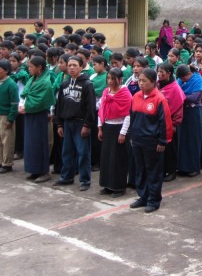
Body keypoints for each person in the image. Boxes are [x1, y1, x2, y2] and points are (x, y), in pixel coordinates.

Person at [129, 68, 172, 213]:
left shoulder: (159, 99)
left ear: (153, 82)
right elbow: (132, 118)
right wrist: (131, 136)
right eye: (139, 80)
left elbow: (165, 122)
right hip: (137, 140)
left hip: (152, 142)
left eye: (144, 81)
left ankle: (154, 200)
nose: (140, 84)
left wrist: (162, 141)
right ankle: (143, 196)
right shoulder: (135, 97)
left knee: (153, 171)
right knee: (140, 170)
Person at [53, 56, 96, 191]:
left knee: (83, 152)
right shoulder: (64, 84)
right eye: (69, 65)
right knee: (67, 151)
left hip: (81, 123)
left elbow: (90, 106)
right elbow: (59, 105)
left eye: (75, 65)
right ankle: (67, 176)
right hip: (67, 123)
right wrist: (59, 124)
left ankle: (85, 180)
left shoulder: (87, 84)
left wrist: (87, 125)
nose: (71, 68)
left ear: (81, 67)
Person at [97, 68, 133, 198]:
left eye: (113, 79)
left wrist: (123, 133)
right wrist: (100, 127)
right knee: (107, 158)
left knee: (118, 159)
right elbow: (102, 110)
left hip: (119, 129)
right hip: (107, 128)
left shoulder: (125, 94)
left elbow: (128, 115)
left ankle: (119, 187)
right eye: (108, 78)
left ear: (120, 79)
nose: (110, 81)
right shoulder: (106, 92)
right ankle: (107, 184)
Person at [20, 56, 56, 183]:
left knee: (39, 143)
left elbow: (40, 101)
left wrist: (26, 106)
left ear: (39, 68)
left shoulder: (45, 83)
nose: (29, 69)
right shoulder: (32, 79)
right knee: (30, 144)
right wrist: (22, 104)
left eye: (31, 66)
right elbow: (25, 93)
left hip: (39, 116)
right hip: (30, 116)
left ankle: (44, 171)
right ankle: (34, 170)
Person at [157, 62, 185, 183]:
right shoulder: (157, 85)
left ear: (169, 73)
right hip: (158, 121)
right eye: (158, 71)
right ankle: (161, 170)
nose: (159, 74)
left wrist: (174, 124)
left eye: (162, 72)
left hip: (171, 123)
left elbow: (179, 107)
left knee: (170, 149)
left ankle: (171, 171)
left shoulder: (175, 88)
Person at [176, 64, 202, 177]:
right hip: (182, 111)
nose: (182, 81)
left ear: (189, 74)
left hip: (193, 112)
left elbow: (194, 98)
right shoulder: (180, 79)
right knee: (182, 140)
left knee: (193, 140)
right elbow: (178, 92)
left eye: (183, 78)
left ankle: (193, 167)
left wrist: (180, 96)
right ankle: (182, 166)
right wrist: (183, 96)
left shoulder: (198, 80)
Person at [0, 60, 19, 174]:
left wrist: (11, 118)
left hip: (6, 115)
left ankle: (7, 163)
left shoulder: (11, 84)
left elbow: (14, 103)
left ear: (6, 71)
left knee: (7, 140)